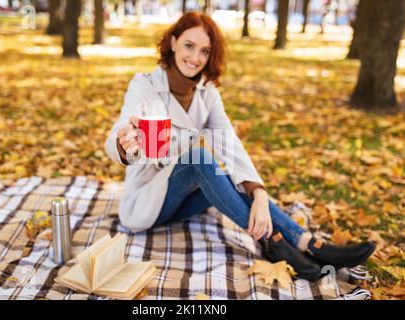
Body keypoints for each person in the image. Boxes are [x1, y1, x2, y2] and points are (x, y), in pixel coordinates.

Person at [104, 12, 375, 282]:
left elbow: (229, 145)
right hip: (146, 205)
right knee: (199, 157)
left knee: (229, 178)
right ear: (173, 42)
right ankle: (276, 241)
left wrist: (258, 194)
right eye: (189, 45)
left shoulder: (206, 92)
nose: (195, 58)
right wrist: (123, 144)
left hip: (182, 204)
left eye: (204, 51)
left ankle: (310, 244)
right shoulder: (145, 85)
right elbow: (118, 132)